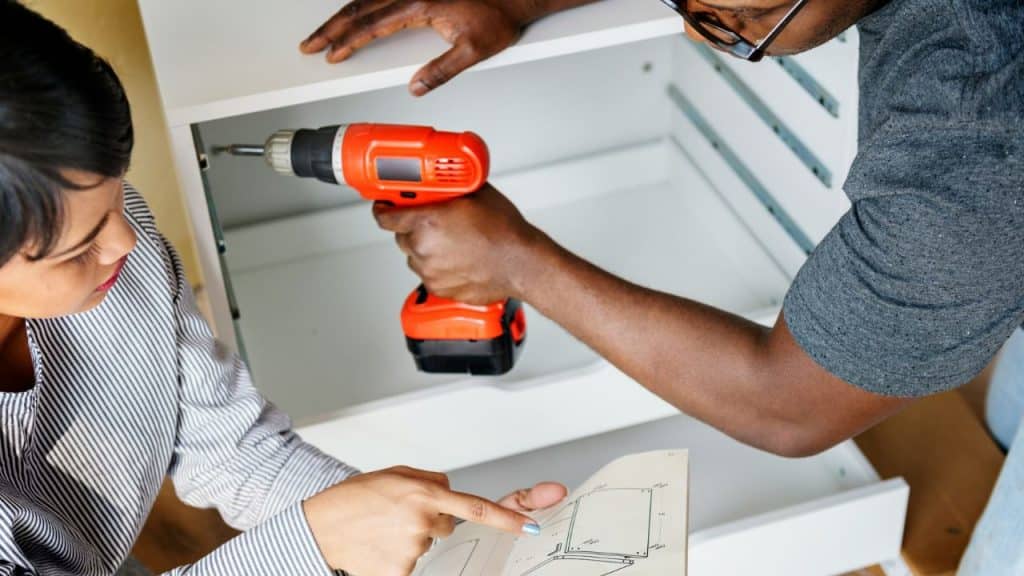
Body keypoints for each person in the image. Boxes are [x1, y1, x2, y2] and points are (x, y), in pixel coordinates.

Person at [301, 0, 1024, 573]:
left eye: (739, 22)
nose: (700, 35)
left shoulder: (977, 146)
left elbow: (791, 407)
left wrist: (516, 262)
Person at [0, 2, 566, 575]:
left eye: (120, 196)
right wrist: (313, 542)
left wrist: (435, 537)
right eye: (78, 248)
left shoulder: (124, 256)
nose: (126, 241)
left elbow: (232, 449)